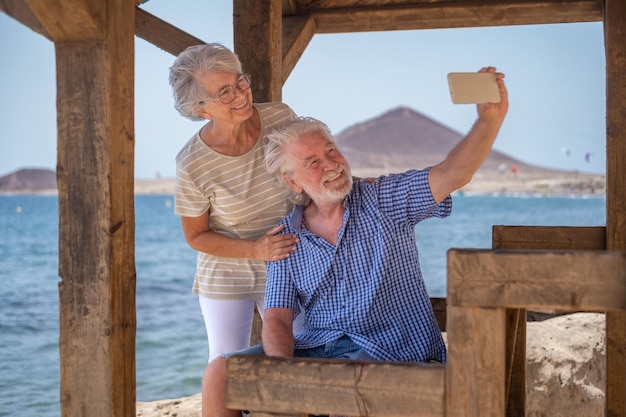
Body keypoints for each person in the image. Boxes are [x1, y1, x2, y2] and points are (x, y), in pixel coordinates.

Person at [201, 66, 508, 417]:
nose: (331, 165)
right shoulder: (286, 235)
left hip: (392, 355)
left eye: (331, 151)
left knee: (345, 391)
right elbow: (277, 319)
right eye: (313, 162)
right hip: (320, 354)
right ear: (293, 182)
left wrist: (489, 121)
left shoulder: (383, 199)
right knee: (219, 374)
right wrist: (282, 380)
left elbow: (452, 173)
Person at [169, 43, 303, 365]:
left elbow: (307, 169)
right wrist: (256, 250)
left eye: (240, 81)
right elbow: (196, 236)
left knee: (308, 353)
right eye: (224, 92)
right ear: (201, 110)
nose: (241, 94)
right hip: (228, 272)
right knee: (226, 366)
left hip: (289, 258)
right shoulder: (191, 163)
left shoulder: (280, 117)